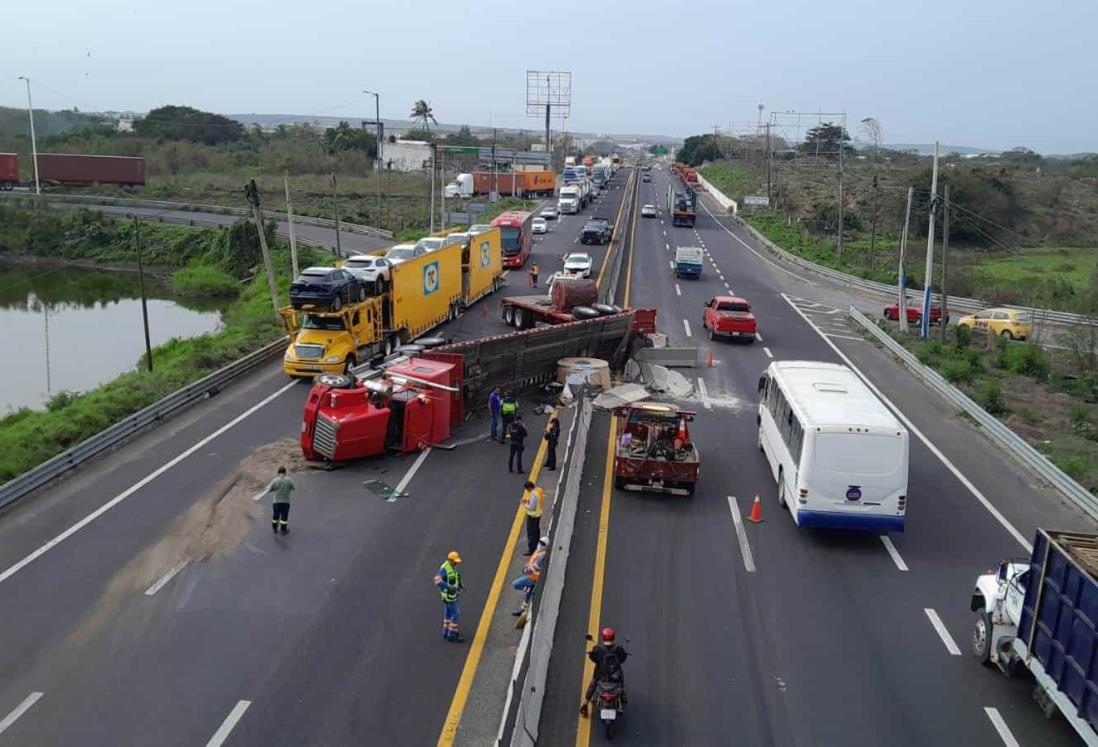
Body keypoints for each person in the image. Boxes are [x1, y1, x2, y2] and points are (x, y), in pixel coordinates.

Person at [580, 627, 629, 717]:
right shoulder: (618, 650)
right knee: (621, 676)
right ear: (613, 637)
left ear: (603, 637)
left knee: (593, 685)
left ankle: (585, 706)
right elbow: (622, 659)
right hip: (614, 678)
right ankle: (622, 694)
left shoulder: (598, 649)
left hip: (600, 677)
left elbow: (593, 658)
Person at [511, 535, 548, 616]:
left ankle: (530, 590)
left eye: (543, 544)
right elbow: (531, 562)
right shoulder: (537, 552)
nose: (540, 544)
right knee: (527, 597)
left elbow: (534, 568)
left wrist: (526, 570)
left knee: (515, 584)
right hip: (531, 576)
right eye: (540, 542)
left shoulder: (542, 556)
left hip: (533, 578)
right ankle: (523, 610)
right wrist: (526, 567)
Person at [434, 550, 465, 643]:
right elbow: (437, 581)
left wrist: (460, 585)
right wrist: (449, 587)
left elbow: (454, 577)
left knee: (448, 614)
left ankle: (446, 631)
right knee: (456, 614)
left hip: (451, 594)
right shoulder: (444, 569)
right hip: (449, 595)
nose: (456, 563)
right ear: (450, 560)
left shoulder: (451, 567)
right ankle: (452, 634)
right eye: (455, 561)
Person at [265, 466, 295, 535]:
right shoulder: (289, 480)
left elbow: (269, 489)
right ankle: (283, 530)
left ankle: (275, 529)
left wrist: (274, 489)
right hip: (285, 502)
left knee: (275, 516)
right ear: (285, 472)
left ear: (278, 473)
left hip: (276, 502)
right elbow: (293, 488)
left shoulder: (275, 480)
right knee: (284, 517)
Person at [520, 480, 544, 555]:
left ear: (530, 487)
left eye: (527, 489)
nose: (527, 491)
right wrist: (527, 501)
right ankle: (537, 545)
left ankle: (531, 549)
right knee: (536, 531)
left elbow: (531, 507)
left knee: (531, 533)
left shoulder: (533, 495)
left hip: (533, 516)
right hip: (538, 514)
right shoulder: (538, 490)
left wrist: (524, 504)